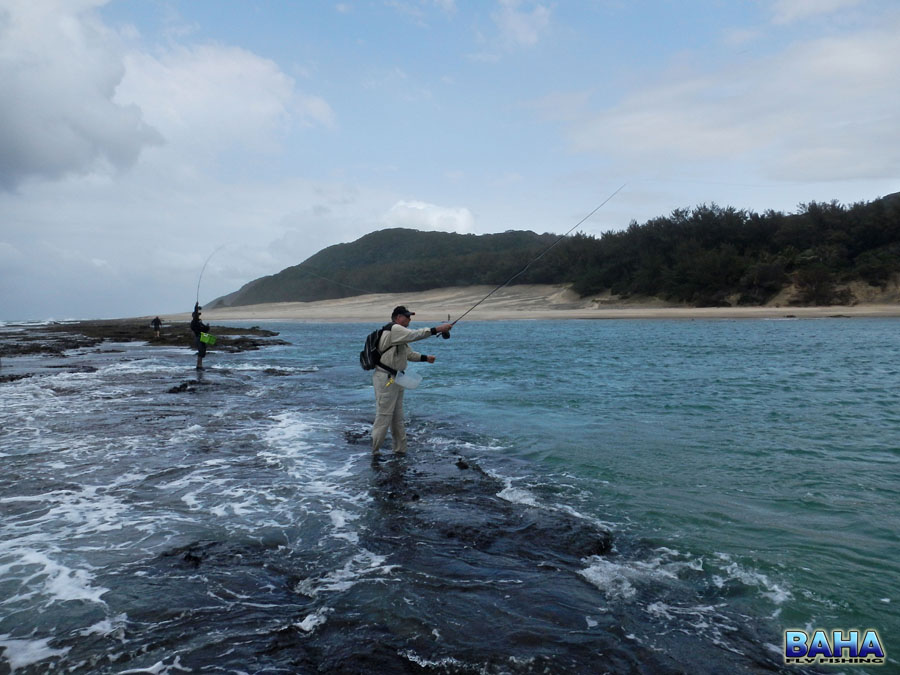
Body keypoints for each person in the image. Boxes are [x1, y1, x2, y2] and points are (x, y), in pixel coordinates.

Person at [371, 306, 452, 459]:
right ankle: (374, 453)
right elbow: (416, 334)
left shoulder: (398, 334)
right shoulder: (394, 328)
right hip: (386, 379)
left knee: (397, 418)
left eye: (410, 317)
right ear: (397, 317)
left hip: (397, 378)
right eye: (407, 316)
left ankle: (400, 451)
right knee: (384, 416)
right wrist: (438, 329)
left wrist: (425, 358)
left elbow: (408, 354)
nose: (409, 319)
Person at [189, 303, 210, 370]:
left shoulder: (199, 322)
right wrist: (196, 306)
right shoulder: (194, 322)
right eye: (197, 315)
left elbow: (205, 329)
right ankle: (199, 366)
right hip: (199, 337)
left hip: (203, 336)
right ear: (194, 316)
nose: (198, 316)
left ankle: (200, 365)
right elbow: (198, 329)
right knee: (201, 351)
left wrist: (207, 327)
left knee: (203, 351)